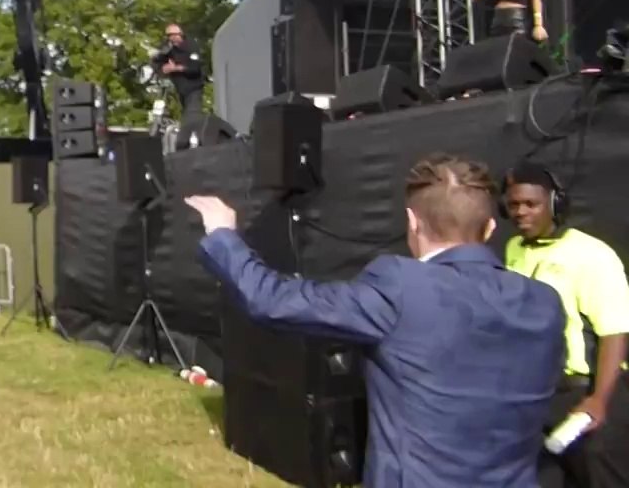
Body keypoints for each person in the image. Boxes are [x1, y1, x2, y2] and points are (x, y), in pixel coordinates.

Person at [186, 154, 566, 487]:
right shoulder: (545, 304)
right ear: (489, 229)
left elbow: (273, 300)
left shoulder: (401, 287)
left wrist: (223, 235)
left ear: (412, 223)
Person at [502, 162, 629, 488]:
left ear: (555, 204)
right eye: (514, 205)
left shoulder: (591, 255)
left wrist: (599, 398)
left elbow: (614, 331)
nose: (520, 213)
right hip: (540, 393)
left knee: (599, 473)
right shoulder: (514, 250)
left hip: (587, 390)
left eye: (531, 204)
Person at [151, 23, 207, 149]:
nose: (171, 38)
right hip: (181, 90)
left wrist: (176, 68)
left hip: (194, 88)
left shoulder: (191, 46)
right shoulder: (169, 50)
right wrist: (163, 68)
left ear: (180, 34)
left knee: (192, 117)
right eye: (168, 36)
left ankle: (191, 144)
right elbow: (157, 62)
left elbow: (195, 69)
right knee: (184, 116)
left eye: (174, 35)